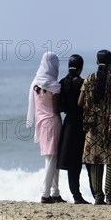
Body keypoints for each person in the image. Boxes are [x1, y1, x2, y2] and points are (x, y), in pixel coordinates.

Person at [78, 50, 111, 205]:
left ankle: (98, 197)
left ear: (97, 62)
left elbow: (80, 102)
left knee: (96, 160)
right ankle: (110, 197)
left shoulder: (89, 78)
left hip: (94, 124)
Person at [26, 51, 65, 204]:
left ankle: (55, 192)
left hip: (41, 122)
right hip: (52, 122)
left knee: (50, 158)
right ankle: (45, 193)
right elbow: (56, 109)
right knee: (52, 159)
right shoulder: (54, 86)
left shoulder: (36, 83)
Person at [57, 54, 93, 204]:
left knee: (73, 164)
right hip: (82, 124)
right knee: (90, 162)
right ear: (81, 67)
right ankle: (97, 194)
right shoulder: (83, 83)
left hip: (69, 124)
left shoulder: (61, 83)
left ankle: (76, 196)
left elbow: (60, 107)